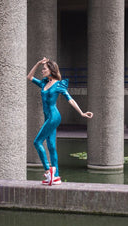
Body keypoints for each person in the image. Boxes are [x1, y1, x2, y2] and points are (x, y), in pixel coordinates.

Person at [27, 57, 93, 185]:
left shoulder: (59, 84)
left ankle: (48, 171)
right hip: (48, 117)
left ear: (51, 70)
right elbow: (29, 77)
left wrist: (82, 113)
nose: (42, 71)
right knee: (51, 146)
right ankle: (56, 176)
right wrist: (37, 63)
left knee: (37, 142)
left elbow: (70, 99)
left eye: (44, 69)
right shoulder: (44, 83)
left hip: (54, 116)